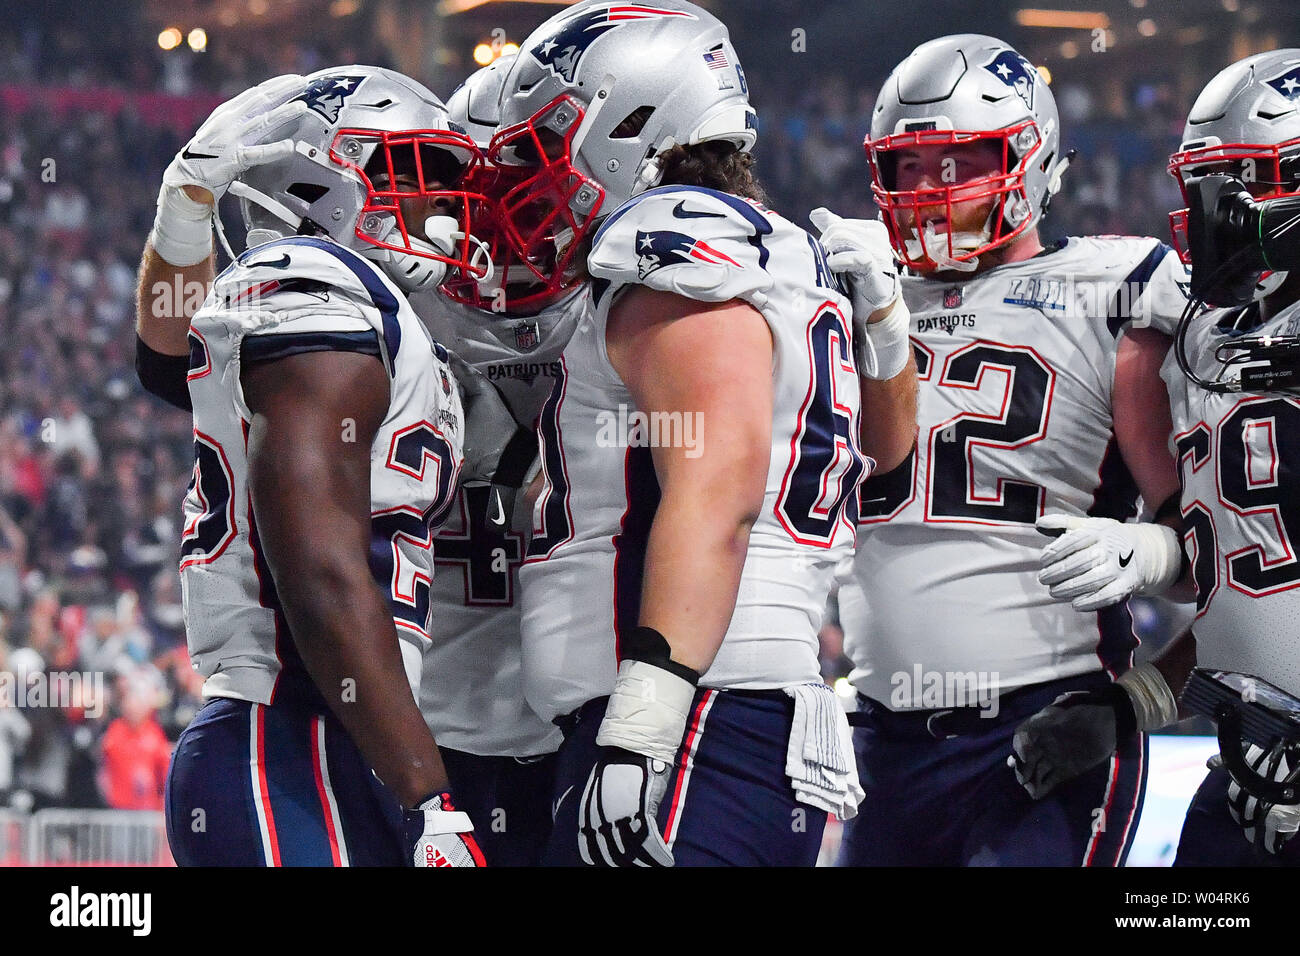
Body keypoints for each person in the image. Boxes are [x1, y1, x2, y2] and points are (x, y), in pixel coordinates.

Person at [491, 0, 915, 866]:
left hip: (691, 712)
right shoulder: (778, 252)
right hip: (727, 705)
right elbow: (890, 458)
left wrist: (645, 717)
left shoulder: (666, 240)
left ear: (631, 125)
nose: (532, 174)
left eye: (547, 140)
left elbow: (718, 479)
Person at [833, 34, 1190, 866]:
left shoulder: (1114, 289)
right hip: (881, 730)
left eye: (954, 164)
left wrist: (1149, 560)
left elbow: (1212, 551)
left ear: (1030, 160)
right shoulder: (855, 295)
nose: (926, 191)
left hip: (1042, 721)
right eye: (909, 167)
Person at [137, 67, 487, 866]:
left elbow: (168, 365)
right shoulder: (311, 283)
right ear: (325, 176)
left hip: (345, 737)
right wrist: (427, 794)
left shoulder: (364, 304)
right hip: (291, 740)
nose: (440, 204)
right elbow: (321, 569)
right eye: (416, 175)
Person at [1013, 49, 1300, 866]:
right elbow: (1253, 597)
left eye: (1235, 184)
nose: (1204, 212)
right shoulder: (1219, 333)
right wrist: (1131, 704)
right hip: (1257, 760)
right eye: (1201, 183)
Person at [410, 54, 585, 866]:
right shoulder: (401, 308)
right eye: (480, 186)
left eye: (521, 181)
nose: (503, 208)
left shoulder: (628, 306)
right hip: (426, 734)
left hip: (583, 727)